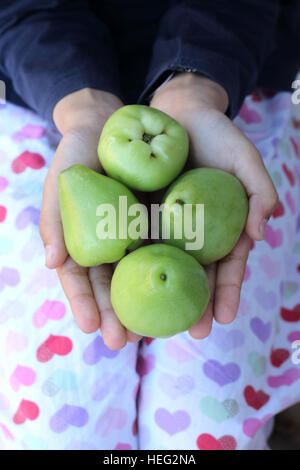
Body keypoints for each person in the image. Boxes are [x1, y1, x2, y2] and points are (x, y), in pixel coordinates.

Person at [0, 0, 299, 450]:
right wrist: (79, 107)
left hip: (233, 90)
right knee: (56, 427)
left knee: (212, 425)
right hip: (47, 106)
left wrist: (197, 83)